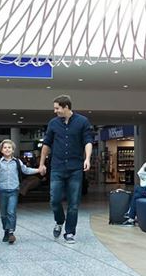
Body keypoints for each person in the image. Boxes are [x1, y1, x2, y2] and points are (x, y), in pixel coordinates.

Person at [38, 95, 93, 244]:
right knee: (54, 200)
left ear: (66, 107)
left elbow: (88, 141)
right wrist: (41, 164)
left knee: (73, 203)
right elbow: (46, 144)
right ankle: (59, 220)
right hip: (57, 167)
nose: (55, 111)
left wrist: (87, 159)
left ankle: (69, 233)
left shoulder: (82, 122)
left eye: (57, 108)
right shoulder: (53, 123)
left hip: (75, 168)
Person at [0, 139, 40, 244]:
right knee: (4, 214)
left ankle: (11, 232)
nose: (7, 149)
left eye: (9, 147)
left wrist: (38, 170)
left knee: (11, 211)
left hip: (14, 190)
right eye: (5, 147)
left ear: (13, 150)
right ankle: (6, 230)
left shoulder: (17, 162)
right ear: (1, 150)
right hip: (2, 191)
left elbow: (26, 170)